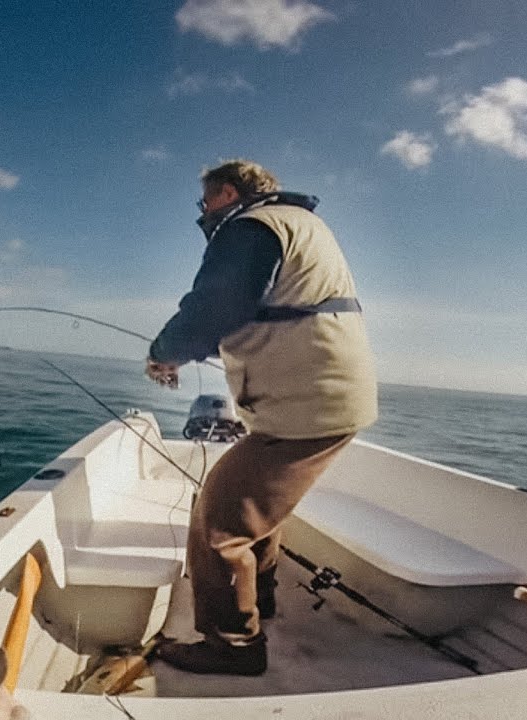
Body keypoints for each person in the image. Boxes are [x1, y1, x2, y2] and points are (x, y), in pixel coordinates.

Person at [146, 160, 378, 675]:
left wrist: (164, 352)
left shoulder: (251, 227)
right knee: (251, 514)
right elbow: (273, 314)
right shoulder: (299, 225)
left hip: (306, 408)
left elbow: (213, 307)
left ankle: (233, 646)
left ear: (227, 193)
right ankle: (262, 600)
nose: (202, 214)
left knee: (217, 524)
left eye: (204, 202)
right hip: (318, 401)